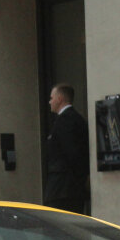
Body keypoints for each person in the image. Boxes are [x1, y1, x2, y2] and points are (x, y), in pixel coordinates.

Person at [43, 83, 91, 214]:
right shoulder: (75, 119)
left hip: (63, 189)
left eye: (51, 98)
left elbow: (72, 153)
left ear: (59, 99)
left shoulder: (66, 121)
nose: (49, 102)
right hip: (68, 189)